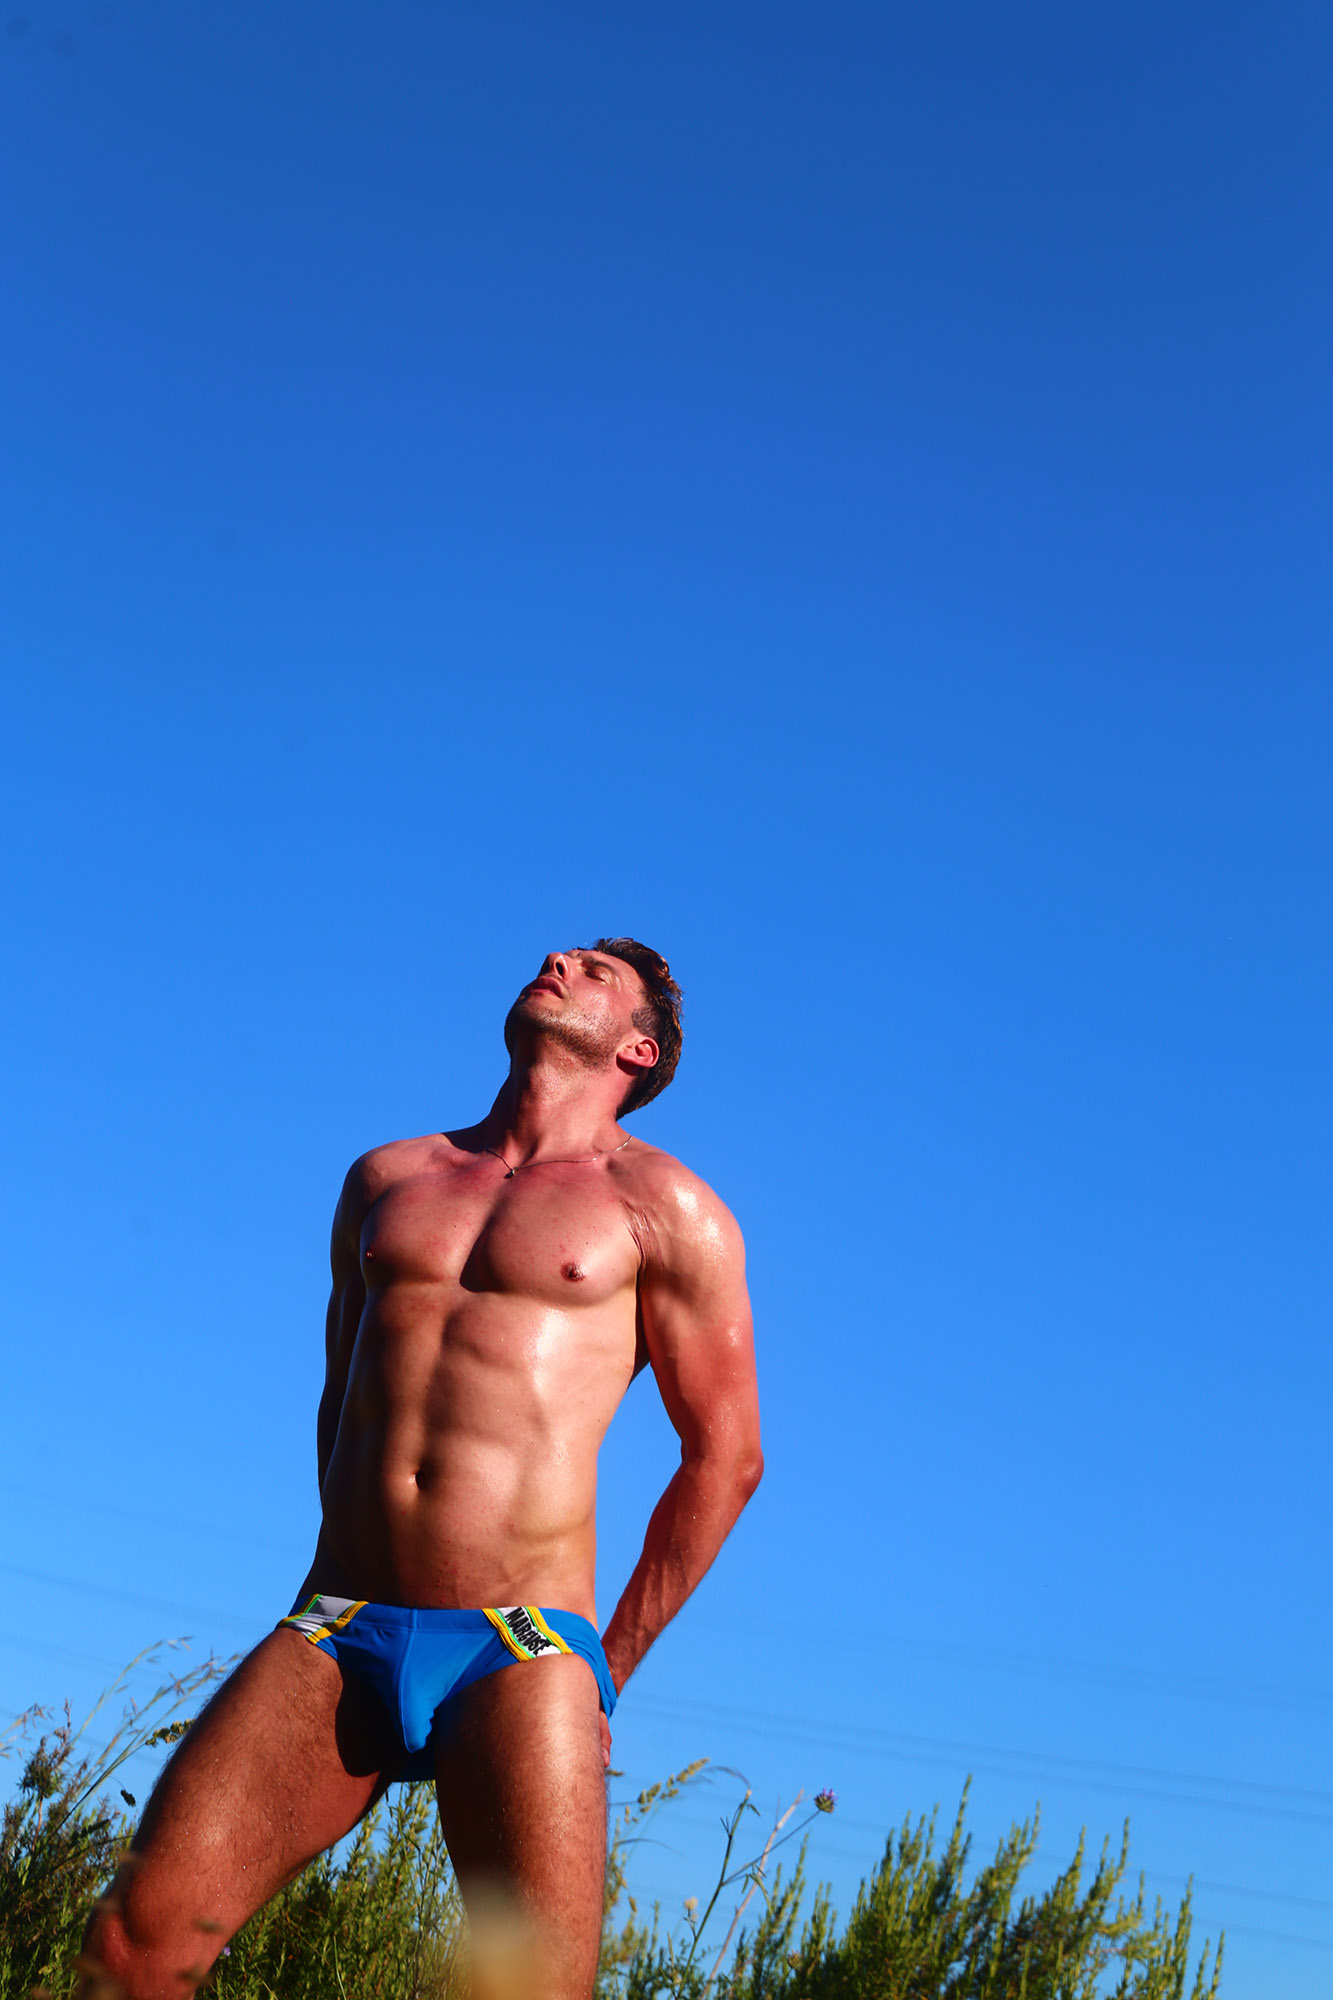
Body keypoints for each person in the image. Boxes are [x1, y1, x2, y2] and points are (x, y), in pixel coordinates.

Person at [81, 939, 762, 2000]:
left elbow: (726, 1456)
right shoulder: (387, 1178)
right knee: (131, 1948)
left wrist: (609, 1668)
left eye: (594, 970)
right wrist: (324, 1573)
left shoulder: (668, 1207)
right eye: (562, 954)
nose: (557, 959)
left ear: (639, 1049)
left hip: (519, 1644)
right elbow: (340, 1395)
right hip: (339, 1621)